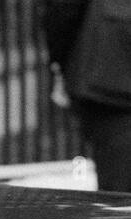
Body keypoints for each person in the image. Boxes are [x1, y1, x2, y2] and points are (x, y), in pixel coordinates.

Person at [43, 0, 131, 192]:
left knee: (120, 188)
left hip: (112, 79)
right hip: (113, 80)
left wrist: (61, 65)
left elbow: (63, 11)